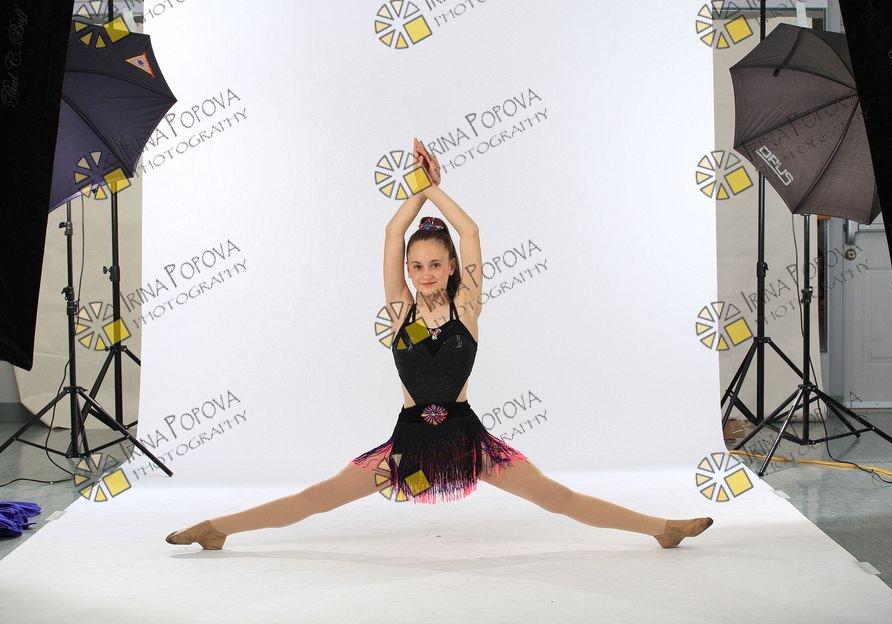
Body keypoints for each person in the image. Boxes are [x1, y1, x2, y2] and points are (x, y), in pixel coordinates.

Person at [166, 137, 713, 551]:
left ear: (451, 266)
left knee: (557, 497)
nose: (424, 273)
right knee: (316, 499)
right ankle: (217, 529)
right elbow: (391, 235)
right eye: (416, 266)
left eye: (434, 264)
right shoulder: (399, 311)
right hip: (409, 448)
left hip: (466, 442)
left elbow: (470, 232)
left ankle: (662, 528)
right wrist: (416, 189)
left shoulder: (466, 308)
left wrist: (433, 187)